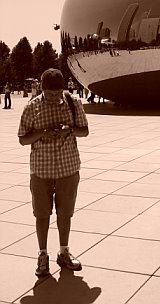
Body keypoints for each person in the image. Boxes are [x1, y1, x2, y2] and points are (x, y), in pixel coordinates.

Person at [17, 68, 89, 277]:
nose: (54, 98)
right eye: (50, 94)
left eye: (58, 94)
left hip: (68, 168)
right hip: (41, 170)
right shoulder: (32, 107)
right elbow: (23, 138)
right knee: (42, 215)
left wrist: (69, 129)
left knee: (65, 214)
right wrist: (43, 133)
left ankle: (64, 252)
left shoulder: (73, 103)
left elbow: (84, 130)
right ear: (42, 88)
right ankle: (42, 255)